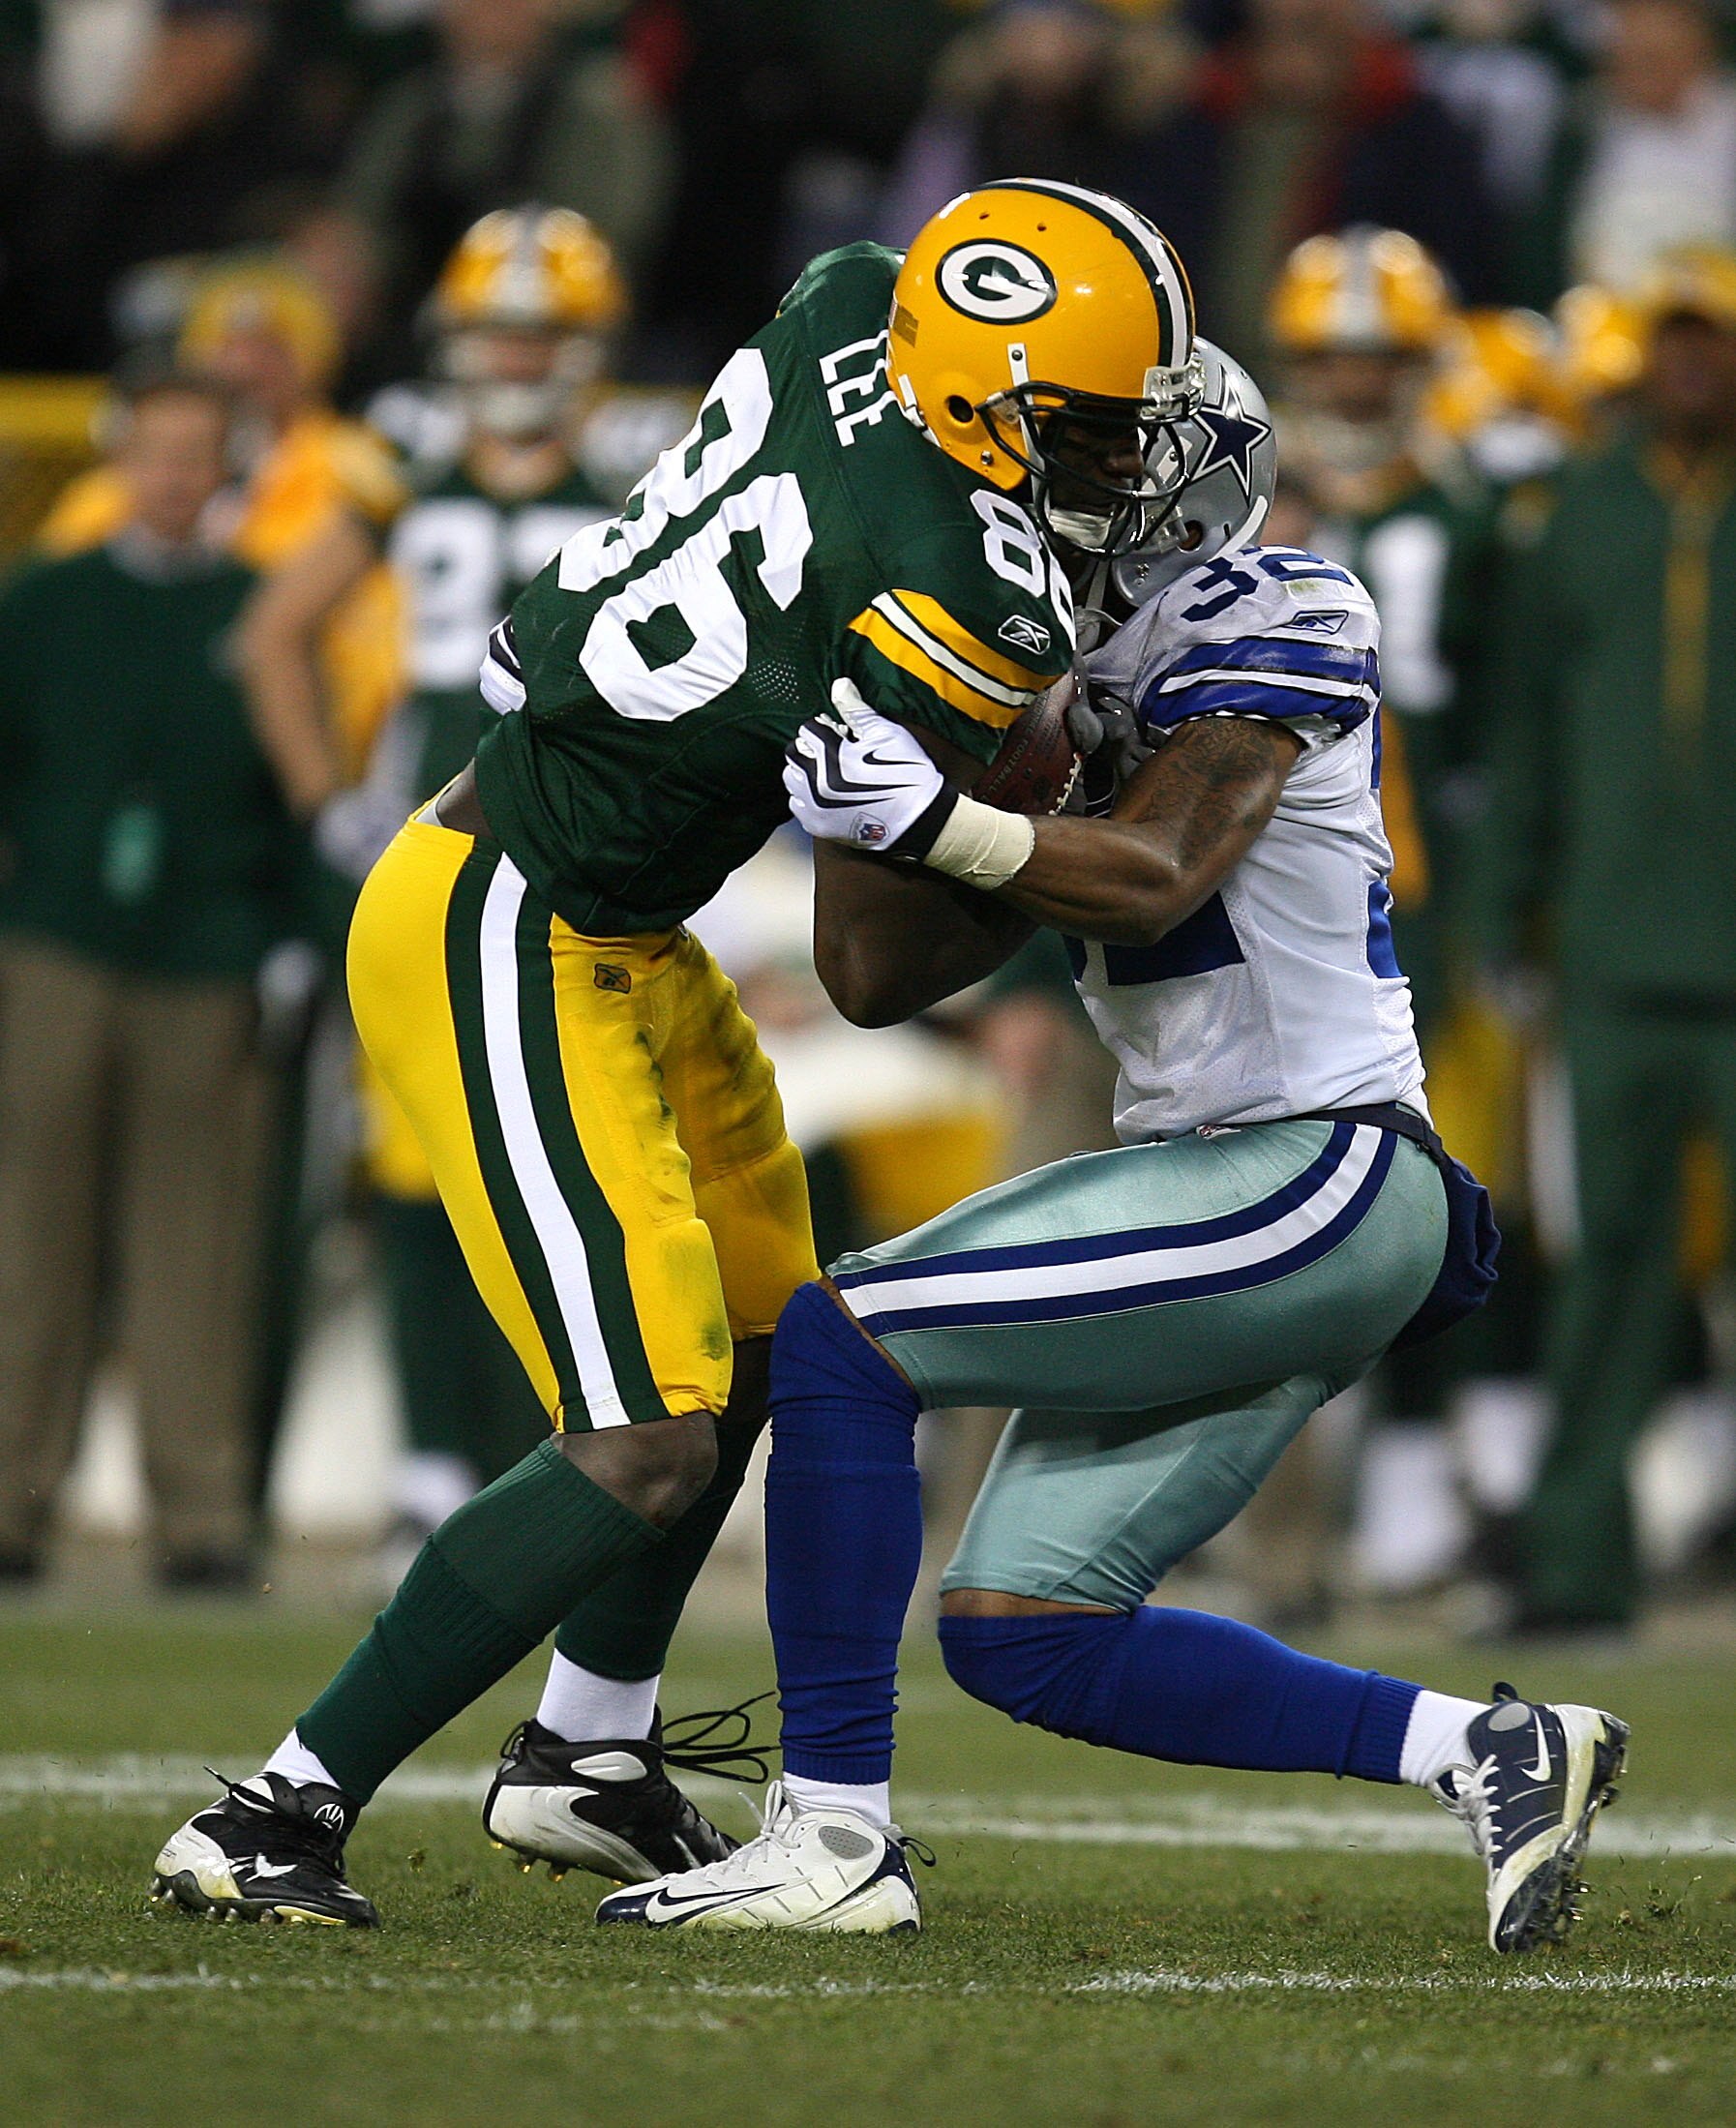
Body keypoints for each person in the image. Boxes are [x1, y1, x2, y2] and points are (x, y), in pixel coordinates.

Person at [148, 178, 1203, 1927]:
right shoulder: (963, 584)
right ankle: (277, 1807)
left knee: (780, 1333)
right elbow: (869, 968)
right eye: (1080, 429)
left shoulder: (858, 292)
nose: (1108, 461)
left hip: (619, 916)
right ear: (975, 392)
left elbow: (850, 358)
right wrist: (1031, 840)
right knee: (639, 1431)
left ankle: (589, 1748)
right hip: (507, 912)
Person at [595, 344, 1627, 1955]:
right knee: (1026, 1629)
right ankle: (1487, 1748)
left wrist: (947, 815)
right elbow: (871, 979)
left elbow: (1151, 867)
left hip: (1316, 1166)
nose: (1049, 483)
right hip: (1222, 1181)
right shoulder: (1024, 658)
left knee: (837, 1335)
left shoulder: (1279, 603)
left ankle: (829, 1836)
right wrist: (896, 772)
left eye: (1085, 455)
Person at [242, 205, 626, 1579]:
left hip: (584, 862)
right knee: (415, 1174)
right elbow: (273, 634)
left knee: (572, 1166)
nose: (516, 357)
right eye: (495, 330)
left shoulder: (637, 475)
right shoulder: (405, 468)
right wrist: (326, 801)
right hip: (444, 860)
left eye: (540, 332)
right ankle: (427, 1471)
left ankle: (562, 1449)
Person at [0, 370, 296, 1587]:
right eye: (156, 453)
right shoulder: (45, 601)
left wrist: (282, 939)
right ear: (118, 461)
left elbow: (297, 781)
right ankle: (15, 1502)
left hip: (210, 952)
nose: (175, 477)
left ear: (227, 468)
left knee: (199, 1245)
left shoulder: (263, 611)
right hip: (55, 943)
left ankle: (201, 1512)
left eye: (198, 455)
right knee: (29, 1237)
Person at [1479, 244, 1736, 1632]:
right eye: (1671, 339)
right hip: (1614, 953)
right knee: (1608, 1269)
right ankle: (1577, 1562)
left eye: (1713, 339)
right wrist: (1496, 912)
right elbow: (1522, 740)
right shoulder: (1577, 514)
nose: (1690, 363)